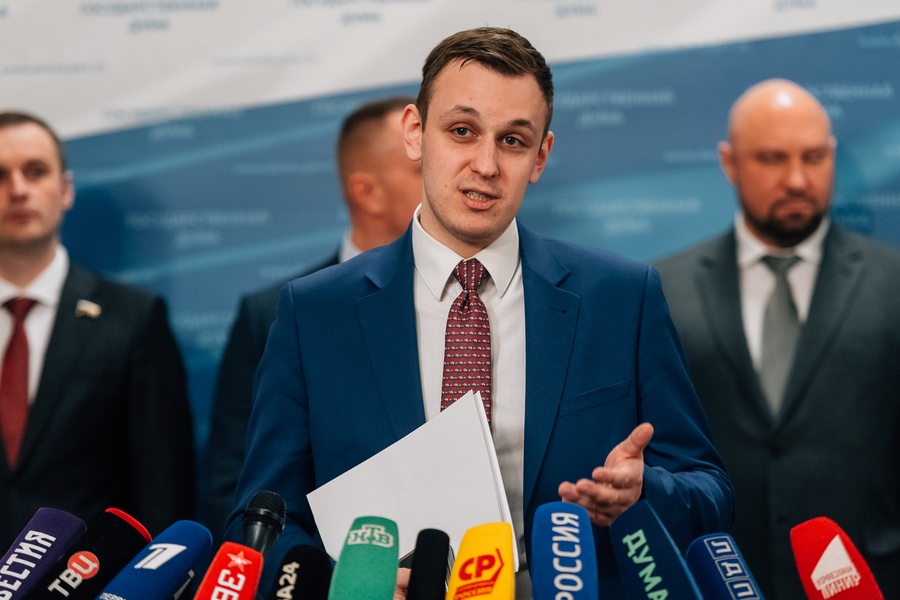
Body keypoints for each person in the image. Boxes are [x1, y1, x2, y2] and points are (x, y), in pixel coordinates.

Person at [227, 27, 733, 598]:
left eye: (513, 140)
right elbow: (260, 521)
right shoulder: (315, 314)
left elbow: (710, 491)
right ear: (415, 132)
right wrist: (351, 584)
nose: (486, 164)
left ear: (540, 156)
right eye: (462, 131)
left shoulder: (621, 299)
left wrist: (645, 493)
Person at [655, 79, 900, 596]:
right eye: (771, 158)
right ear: (729, 162)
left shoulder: (893, 284)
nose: (797, 179)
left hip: (869, 581)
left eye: (814, 157)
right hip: (716, 580)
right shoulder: (663, 292)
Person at [202, 96, 422, 542]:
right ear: (368, 192)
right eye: (421, 170)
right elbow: (236, 485)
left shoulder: (472, 301)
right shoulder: (271, 314)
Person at [0, 111, 195, 546]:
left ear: (65, 189)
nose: (18, 189)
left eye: (36, 171)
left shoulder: (135, 317)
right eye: (0, 175)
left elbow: (163, 484)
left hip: (88, 573)